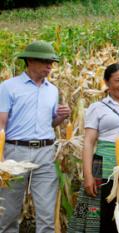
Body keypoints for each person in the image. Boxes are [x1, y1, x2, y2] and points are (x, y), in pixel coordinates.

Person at [0, 41, 71, 233]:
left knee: (47, 214)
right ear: (30, 60)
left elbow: (50, 124)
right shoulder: (8, 87)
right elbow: (1, 125)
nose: (50, 66)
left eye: (52, 62)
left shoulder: (52, 90)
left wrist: (61, 117)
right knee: (8, 212)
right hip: (14, 152)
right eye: (45, 62)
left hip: (46, 153)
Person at [68, 63, 119, 232]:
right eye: (118, 80)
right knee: (101, 212)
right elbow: (89, 142)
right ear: (106, 83)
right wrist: (88, 175)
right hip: (102, 165)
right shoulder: (97, 108)